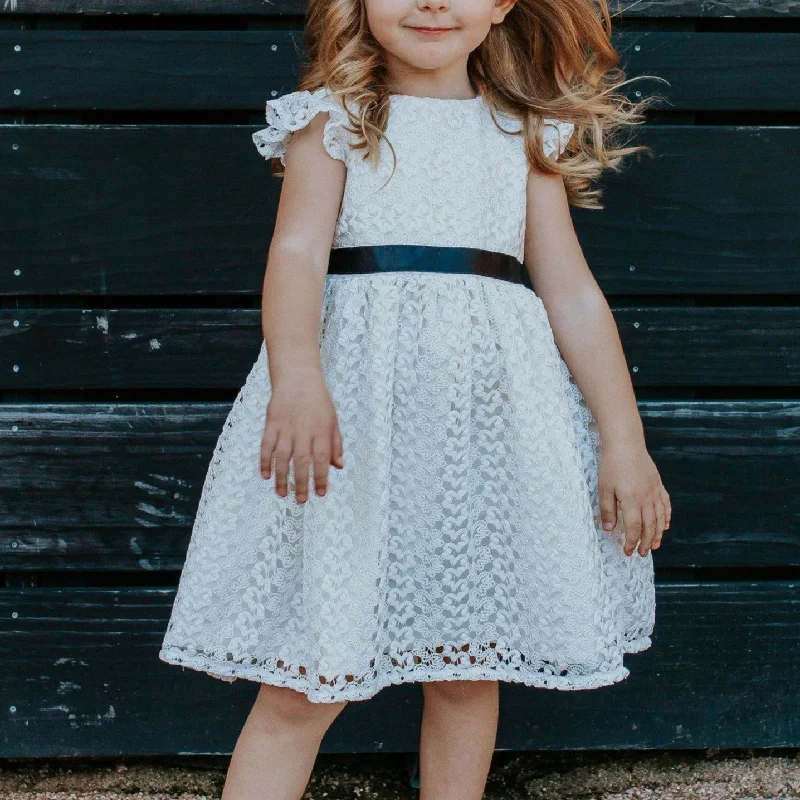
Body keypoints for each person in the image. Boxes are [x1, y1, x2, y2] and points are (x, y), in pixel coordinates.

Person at [159, 0, 671, 796]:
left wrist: (623, 441)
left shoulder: (519, 132)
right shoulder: (334, 120)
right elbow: (294, 252)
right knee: (305, 678)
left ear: (501, 6)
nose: (433, 2)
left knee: (468, 670)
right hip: (350, 431)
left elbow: (571, 293)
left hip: (482, 438)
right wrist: (296, 378)